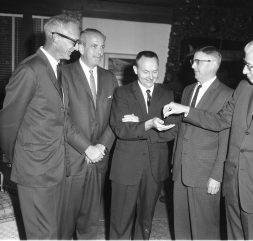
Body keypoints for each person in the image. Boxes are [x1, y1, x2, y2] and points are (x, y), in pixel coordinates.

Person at [163, 36, 253, 240]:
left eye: (249, 65)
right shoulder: (244, 88)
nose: (244, 71)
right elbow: (220, 121)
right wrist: (186, 110)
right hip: (233, 189)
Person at [0, 14, 103, 239]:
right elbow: (7, 123)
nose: (77, 48)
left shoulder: (57, 69)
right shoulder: (30, 70)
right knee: (42, 235)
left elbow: (61, 119)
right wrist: (18, 160)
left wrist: (86, 147)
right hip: (35, 170)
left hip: (56, 169)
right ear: (54, 36)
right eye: (74, 41)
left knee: (53, 231)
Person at [109, 50, 177, 239]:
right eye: (146, 72)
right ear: (135, 70)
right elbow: (121, 130)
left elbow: (173, 130)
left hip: (154, 168)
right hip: (126, 167)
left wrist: (137, 124)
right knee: (120, 220)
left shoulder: (167, 94)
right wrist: (149, 124)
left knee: (145, 220)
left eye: (155, 71)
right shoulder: (121, 93)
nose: (151, 77)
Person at [60, 28, 117, 239]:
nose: (100, 51)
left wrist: (102, 146)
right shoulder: (63, 74)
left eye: (102, 46)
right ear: (80, 47)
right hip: (73, 158)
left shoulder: (110, 78)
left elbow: (115, 117)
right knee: (65, 220)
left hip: (100, 158)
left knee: (91, 221)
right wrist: (86, 147)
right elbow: (61, 117)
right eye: (94, 46)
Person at [172, 46, 233, 239]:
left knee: (204, 229)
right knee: (181, 225)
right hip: (182, 169)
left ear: (214, 64)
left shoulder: (228, 94)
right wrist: (175, 162)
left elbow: (226, 138)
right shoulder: (188, 90)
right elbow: (184, 130)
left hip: (206, 173)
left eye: (198, 62)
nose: (193, 66)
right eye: (193, 61)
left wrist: (217, 175)